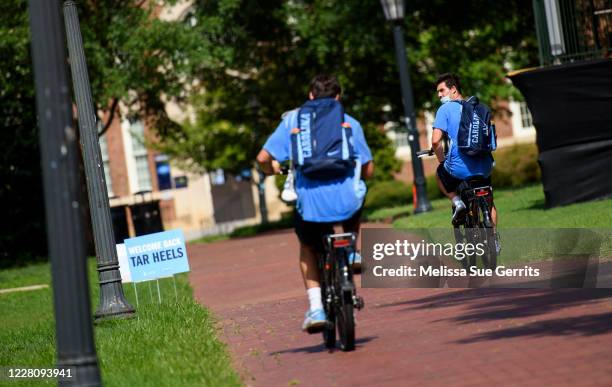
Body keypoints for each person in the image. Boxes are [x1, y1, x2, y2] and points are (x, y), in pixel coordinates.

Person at [256, 74, 374, 332]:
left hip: (311, 206)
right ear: (338, 97)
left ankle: (316, 308)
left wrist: (272, 169)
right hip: (347, 203)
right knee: (359, 191)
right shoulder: (349, 122)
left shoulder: (293, 121)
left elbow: (263, 157)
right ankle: (352, 249)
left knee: (308, 247)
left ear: (310, 96)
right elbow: (368, 169)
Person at [431, 73, 497, 225]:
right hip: (485, 166)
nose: (439, 95)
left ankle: (457, 202)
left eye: (442, 91)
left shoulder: (445, 109)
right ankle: (493, 240)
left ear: (453, 89)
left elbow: (435, 142)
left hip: (460, 168)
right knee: (490, 202)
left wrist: (442, 160)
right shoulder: (478, 107)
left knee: (440, 173)